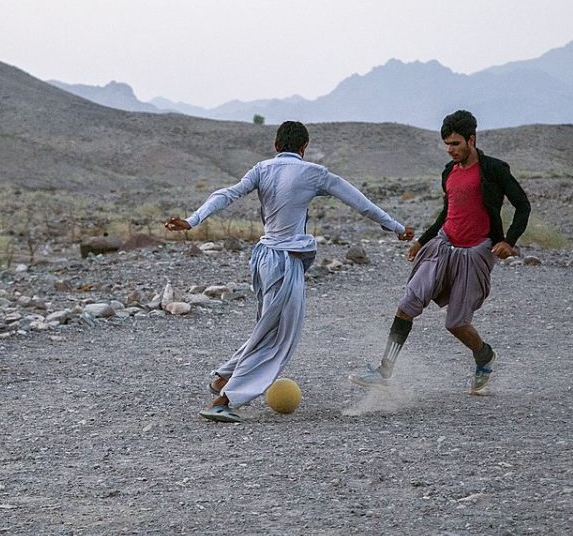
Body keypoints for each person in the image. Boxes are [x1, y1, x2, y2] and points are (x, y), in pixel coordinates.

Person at [165, 120, 415, 423]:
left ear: (275, 145)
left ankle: (223, 377)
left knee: (269, 327)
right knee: (281, 337)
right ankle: (225, 399)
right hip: (285, 261)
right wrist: (398, 228)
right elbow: (362, 204)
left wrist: (193, 220)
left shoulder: (262, 168)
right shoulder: (313, 173)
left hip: (262, 259)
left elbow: (226, 195)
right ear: (304, 148)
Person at [350, 109, 530, 396]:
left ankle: (484, 356)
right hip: (443, 246)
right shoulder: (449, 172)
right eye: (447, 144)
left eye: (456, 144)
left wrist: (509, 241)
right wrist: (423, 240)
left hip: (476, 252)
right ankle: (384, 371)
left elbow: (522, 205)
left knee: (457, 323)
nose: (450, 150)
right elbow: (448, 212)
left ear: (472, 140)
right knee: (408, 302)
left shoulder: (494, 169)